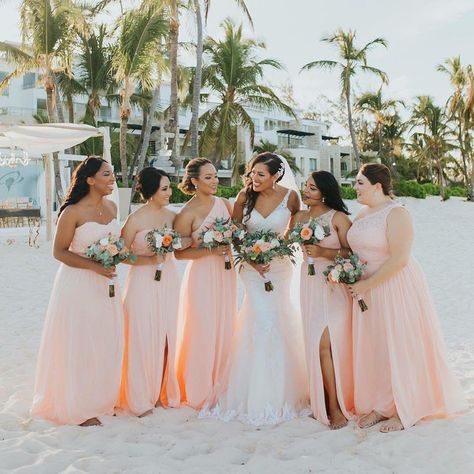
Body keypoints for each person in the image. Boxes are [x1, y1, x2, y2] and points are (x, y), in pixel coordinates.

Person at [347, 163, 467, 432]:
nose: (355, 187)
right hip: (366, 288)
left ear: (377, 186)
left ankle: (405, 408)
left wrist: (368, 284)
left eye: (359, 182)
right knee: (376, 346)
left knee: (400, 344)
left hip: (393, 285)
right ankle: (382, 404)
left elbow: (400, 259)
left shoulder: (397, 213)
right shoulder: (363, 212)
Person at [200, 152, 310, 425]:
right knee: (257, 317)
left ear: (276, 176)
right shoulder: (243, 198)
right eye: (251, 173)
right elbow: (236, 234)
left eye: (261, 174)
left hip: (280, 266)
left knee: (279, 316)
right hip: (250, 268)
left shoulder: (291, 198)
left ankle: (284, 392)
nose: (254, 179)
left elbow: (292, 234)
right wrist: (251, 257)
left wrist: (275, 251)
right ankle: (250, 393)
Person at [31, 157, 123, 426]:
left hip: (108, 283)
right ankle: (78, 406)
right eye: (107, 174)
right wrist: (94, 266)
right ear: (90, 179)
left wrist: (116, 256)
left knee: (105, 340)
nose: (112, 178)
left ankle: (100, 399)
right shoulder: (72, 212)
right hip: (78, 284)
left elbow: (116, 243)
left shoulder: (113, 207)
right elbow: (58, 252)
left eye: (112, 172)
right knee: (80, 342)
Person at [291, 171, 353, 429]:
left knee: (326, 344)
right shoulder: (299, 218)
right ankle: (326, 400)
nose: (306, 192)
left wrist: (324, 251)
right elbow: (283, 244)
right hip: (309, 283)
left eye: (312, 188)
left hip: (333, 284)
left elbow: (352, 251)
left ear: (325, 192)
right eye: (305, 187)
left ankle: (336, 406)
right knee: (316, 343)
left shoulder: (338, 218)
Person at [174, 158, 237, 409]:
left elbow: (238, 236)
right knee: (202, 328)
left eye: (215, 176)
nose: (215, 181)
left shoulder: (224, 204)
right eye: (208, 177)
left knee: (224, 325)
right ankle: (199, 389)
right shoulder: (186, 213)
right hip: (201, 275)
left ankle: (221, 384)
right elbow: (178, 253)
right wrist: (209, 251)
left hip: (225, 274)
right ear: (194, 181)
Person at [119, 167, 182, 416]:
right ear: (152, 191)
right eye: (165, 188)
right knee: (142, 335)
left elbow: (183, 242)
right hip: (142, 280)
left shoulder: (173, 216)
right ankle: (141, 395)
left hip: (169, 278)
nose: (169, 192)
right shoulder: (135, 219)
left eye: (169, 187)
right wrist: (148, 260)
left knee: (167, 335)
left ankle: (159, 394)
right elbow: (120, 254)